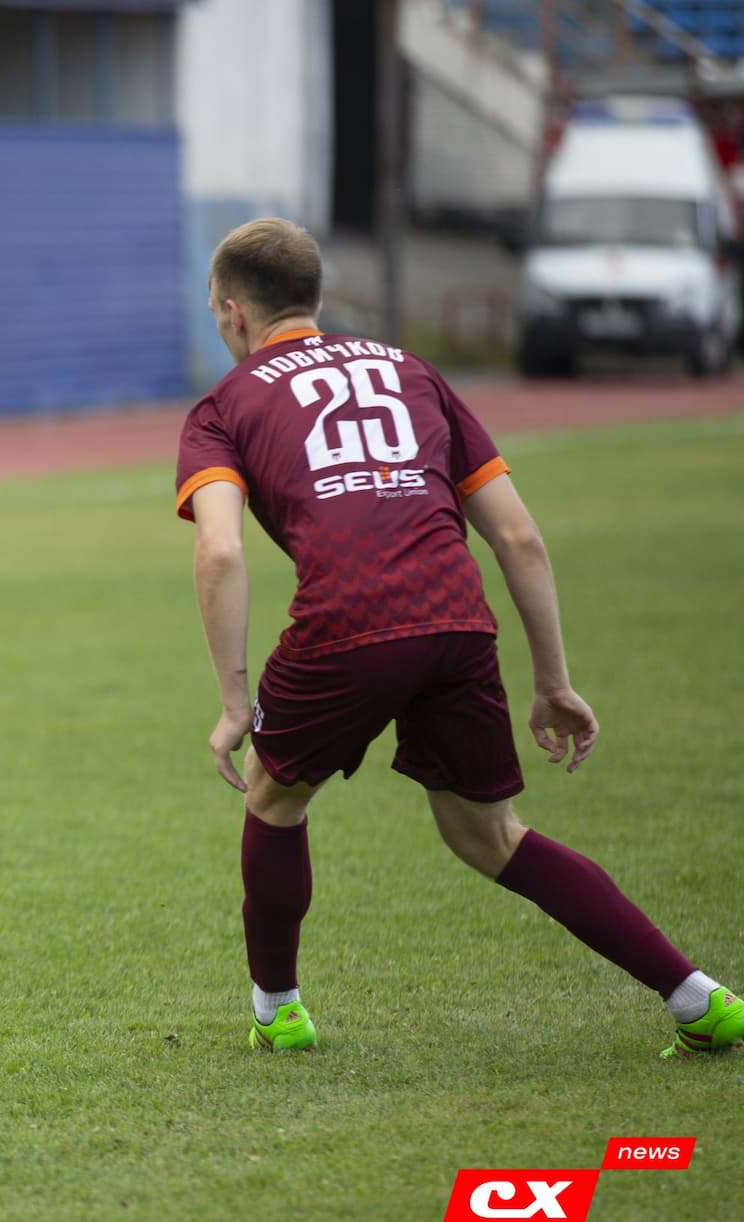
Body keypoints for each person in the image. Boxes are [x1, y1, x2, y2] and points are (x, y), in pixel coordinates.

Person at [176, 216, 741, 1058]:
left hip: (345, 618)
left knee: (273, 793)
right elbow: (517, 536)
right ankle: (699, 999)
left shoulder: (225, 403)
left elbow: (220, 551)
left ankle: (278, 1012)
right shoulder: (413, 371)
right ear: (314, 297)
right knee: (490, 835)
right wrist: (553, 681)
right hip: (456, 614)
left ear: (232, 312)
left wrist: (233, 702)